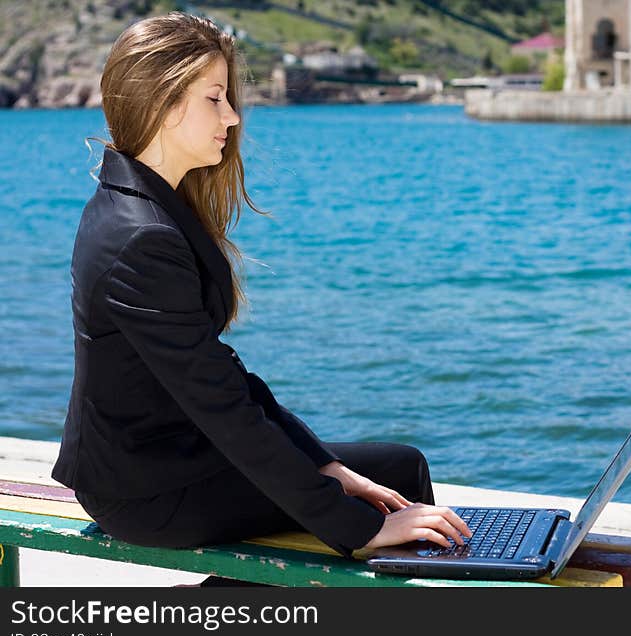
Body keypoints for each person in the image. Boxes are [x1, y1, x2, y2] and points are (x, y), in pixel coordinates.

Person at [51, 11, 470, 586]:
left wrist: (327, 467)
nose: (231, 117)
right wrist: (356, 528)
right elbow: (224, 412)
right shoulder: (141, 236)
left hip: (168, 458)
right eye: (215, 98)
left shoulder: (143, 203)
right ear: (163, 103)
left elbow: (224, 377)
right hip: (145, 488)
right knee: (388, 499)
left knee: (392, 471)